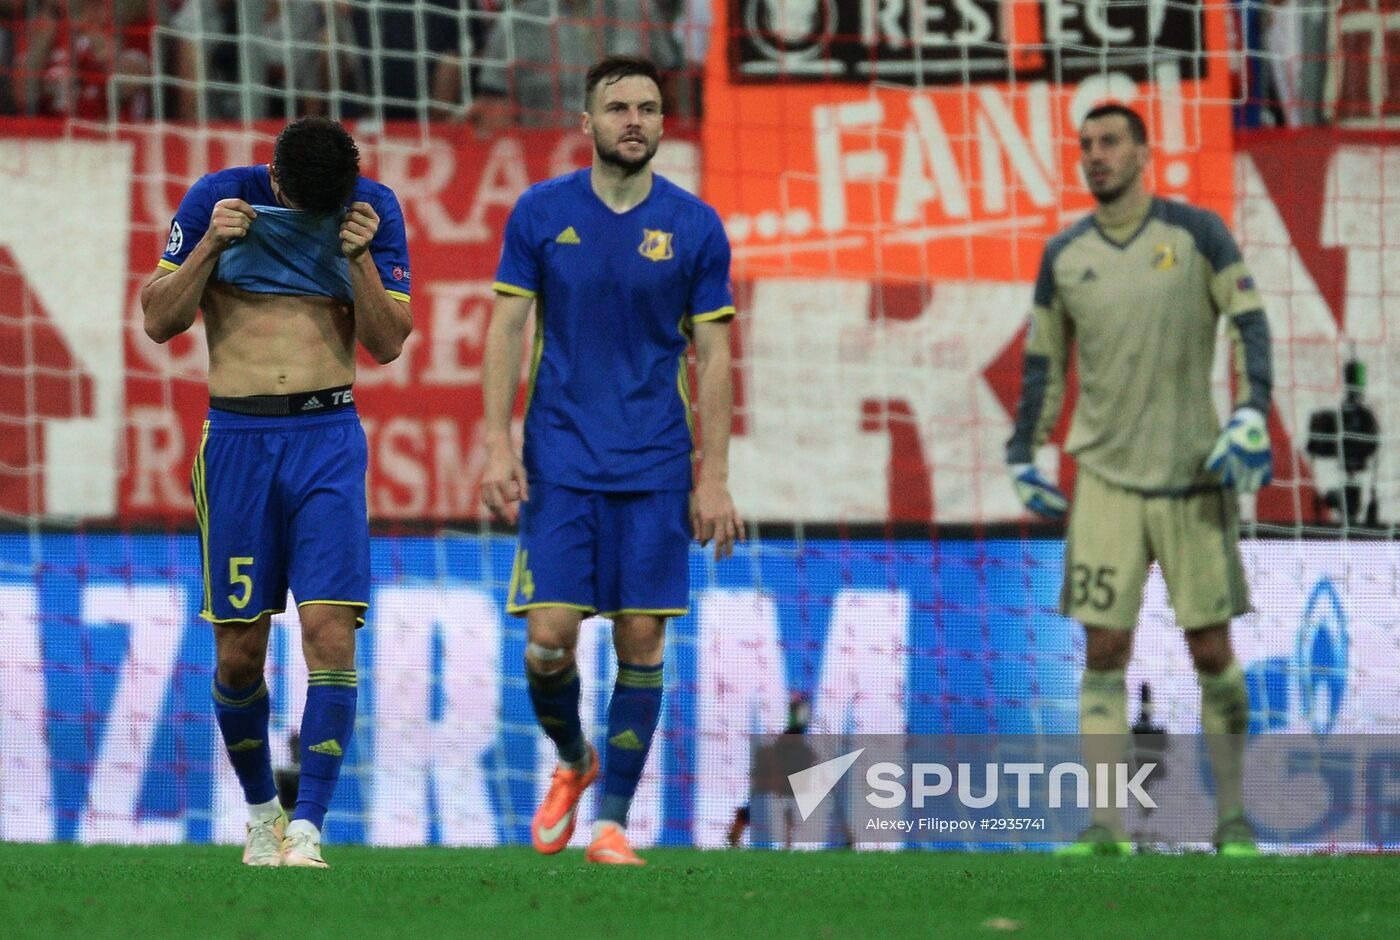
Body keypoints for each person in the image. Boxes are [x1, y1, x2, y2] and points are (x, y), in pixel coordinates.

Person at [481, 55, 742, 865]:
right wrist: (497, 440)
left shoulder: (696, 226)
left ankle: (613, 824)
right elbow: (506, 331)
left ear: (665, 124)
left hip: (658, 464)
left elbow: (717, 357)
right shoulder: (539, 211)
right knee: (548, 638)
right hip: (560, 459)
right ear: (586, 124)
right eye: (618, 107)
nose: (635, 119)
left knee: (641, 643)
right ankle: (573, 760)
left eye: (649, 108)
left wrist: (716, 476)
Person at [140, 116, 412, 867]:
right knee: (238, 654)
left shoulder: (372, 209)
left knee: (330, 632)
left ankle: (309, 828)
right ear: (277, 179)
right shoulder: (218, 199)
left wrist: (356, 258)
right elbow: (159, 320)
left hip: (327, 439)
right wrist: (207, 248)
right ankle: (262, 813)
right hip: (235, 442)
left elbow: (387, 344)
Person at [1006, 103, 1272, 856]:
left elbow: (1251, 324)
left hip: (1193, 476)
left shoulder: (1198, 235)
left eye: (1110, 142)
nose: (1095, 155)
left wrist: (1251, 413)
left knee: (1212, 650)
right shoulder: (1064, 256)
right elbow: (1042, 363)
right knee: (1102, 651)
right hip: (1105, 483)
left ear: (1144, 153)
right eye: (1085, 145)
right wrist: (1024, 451)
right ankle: (1104, 827)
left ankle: (1233, 820)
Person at [468, 0, 681, 132]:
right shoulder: (517, 23)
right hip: (546, 165)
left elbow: (671, 93)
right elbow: (496, 113)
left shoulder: (638, 9)